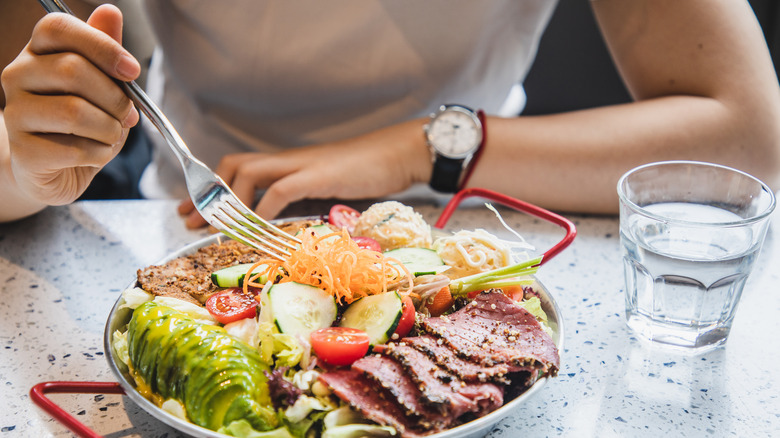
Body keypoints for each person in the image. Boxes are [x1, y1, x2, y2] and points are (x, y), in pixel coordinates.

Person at [2, 0, 779, 227]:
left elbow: (750, 138)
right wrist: (33, 168)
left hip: (470, 216)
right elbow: (12, 141)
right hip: (188, 220)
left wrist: (425, 150)